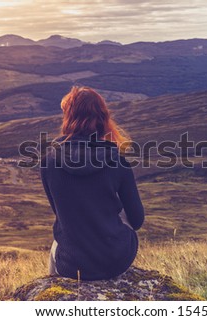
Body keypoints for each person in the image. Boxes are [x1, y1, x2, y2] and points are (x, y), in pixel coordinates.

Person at [40, 86, 145, 280]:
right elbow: (137, 220)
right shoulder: (117, 159)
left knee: (58, 240)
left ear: (68, 117)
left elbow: (61, 214)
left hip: (72, 266)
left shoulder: (49, 160)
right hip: (117, 259)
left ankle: (54, 293)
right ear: (103, 119)